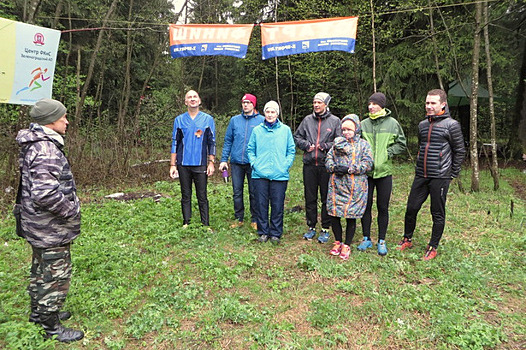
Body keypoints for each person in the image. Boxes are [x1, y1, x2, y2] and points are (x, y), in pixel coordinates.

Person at [16, 98, 84, 342]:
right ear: (50, 120)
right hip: (50, 227)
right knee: (55, 275)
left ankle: (39, 314)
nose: (66, 121)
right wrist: (70, 211)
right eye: (62, 116)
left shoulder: (34, 143)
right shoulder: (46, 149)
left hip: (36, 224)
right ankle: (51, 327)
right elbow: (45, 193)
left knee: (40, 269)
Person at [397, 89, 466, 260]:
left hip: (440, 176)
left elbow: (460, 151)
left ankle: (433, 246)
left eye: (433, 103)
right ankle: (407, 238)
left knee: (437, 212)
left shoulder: (452, 125)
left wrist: (452, 174)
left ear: (443, 104)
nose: (429, 106)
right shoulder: (422, 125)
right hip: (421, 174)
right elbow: (422, 147)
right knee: (411, 208)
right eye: (427, 103)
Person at [358, 92, 406, 256]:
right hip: (366, 173)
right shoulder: (363, 124)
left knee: (383, 207)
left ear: (382, 105)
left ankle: (382, 240)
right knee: (365, 206)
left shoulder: (393, 124)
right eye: (369, 104)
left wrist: (387, 153)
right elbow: (356, 144)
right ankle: (366, 238)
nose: (370, 107)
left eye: (374, 104)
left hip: (385, 173)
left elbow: (402, 143)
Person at [293, 92, 341, 244]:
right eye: (314, 102)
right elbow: (297, 137)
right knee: (310, 197)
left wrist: (325, 146)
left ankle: (326, 228)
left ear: (326, 104)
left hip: (326, 165)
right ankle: (311, 226)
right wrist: (306, 145)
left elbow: (339, 141)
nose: (316, 105)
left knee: (326, 198)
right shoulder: (307, 120)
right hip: (309, 165)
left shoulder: (335, 121)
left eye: (319, 102)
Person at [326, 114, 373, 260]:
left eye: (349, 130)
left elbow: (368, 164)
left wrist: (350, 169)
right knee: (334, 214)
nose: (346, 132)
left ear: (356, 129)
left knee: (350, 216)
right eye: (344, 129)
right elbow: (328, 159)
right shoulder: (336, 144)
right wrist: (334, 167)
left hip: (355, 187)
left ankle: (347, 244)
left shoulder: (363, 145)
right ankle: (338, 241)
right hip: (337, 186)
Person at [247, 101, 295, 244]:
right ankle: (263, 232)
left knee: (277, 204)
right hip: (259, 174)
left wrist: (285, 166)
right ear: (264, 113)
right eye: (267, 112)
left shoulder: (285, 130)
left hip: (279, 175)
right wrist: (254, 164)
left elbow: (291, 150)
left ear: (277, 114)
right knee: (260, 204)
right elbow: (250, 149)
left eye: (273, 112)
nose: (270, 114)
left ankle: (275, 233)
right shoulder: (257, 130)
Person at [170, 90, 216, 227]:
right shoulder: (179, 120)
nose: (192, 99)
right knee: (185, 194)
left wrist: (211, 162)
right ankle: (186, 222)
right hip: (183, 163)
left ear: (199, 100)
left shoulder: (208, 119)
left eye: (195, 96)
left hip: (200, 163)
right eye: (189, 97)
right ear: (185, 102)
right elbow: (175, 142)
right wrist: (173, 164)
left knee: (202, 196)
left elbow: (212, 142)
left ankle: (205, 224)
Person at [219, 93, 264, 230]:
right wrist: (223, 160)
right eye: (244, 102)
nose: (246, 105)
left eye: (249, 103)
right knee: (237, 191)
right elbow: (228, 141)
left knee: (254, 191)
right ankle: (239, 218)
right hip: (236, 162)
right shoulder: (234, 120)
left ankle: (255, 219)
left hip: (253, 163)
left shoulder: (261, 120)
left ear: (254, 104)